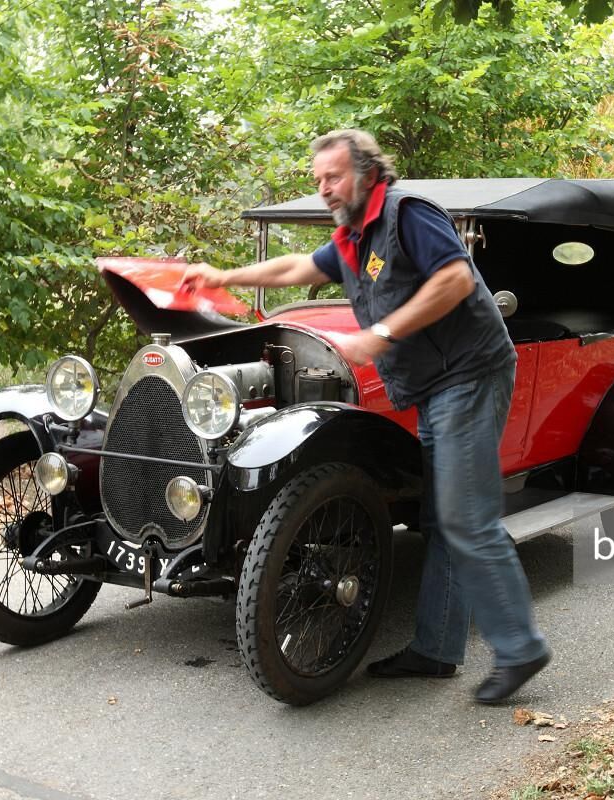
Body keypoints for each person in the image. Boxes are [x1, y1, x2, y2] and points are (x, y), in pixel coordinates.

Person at [179, 129, 551, 704]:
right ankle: (435, 650)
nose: (324, 188)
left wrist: (379, 335)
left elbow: (453, 279)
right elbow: (298, 268)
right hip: (434, 384)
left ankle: (520, 646)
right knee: (443, 516)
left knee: (465, 518)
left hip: (470, 375)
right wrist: (222, 277)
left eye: (333, 177)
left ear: (368, 172)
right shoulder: (355, 237)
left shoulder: (406, 214)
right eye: (318, 180)